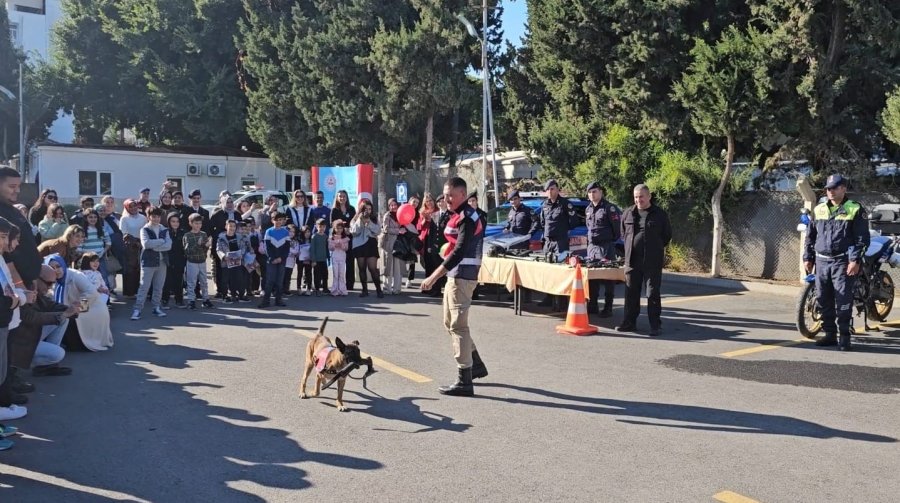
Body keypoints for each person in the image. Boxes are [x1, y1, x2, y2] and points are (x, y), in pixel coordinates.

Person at [420, 177, 487, 397]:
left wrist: (432, 277)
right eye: (445, 194)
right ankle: (475, 363)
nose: (446, 199)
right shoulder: (455, 214)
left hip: (463, 276)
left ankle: (464, 380)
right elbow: (445, 236)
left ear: (462, 195)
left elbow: (458, 252)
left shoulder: (468, 217)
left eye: (451, 195)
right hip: (454, 276)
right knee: (449, 322)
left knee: (458, 326)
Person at [803, 174, 869, 351]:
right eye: (828, 188)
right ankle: (830, 335)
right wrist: (807, 257)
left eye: (834, 188)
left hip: (843, 262)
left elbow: (862, 239)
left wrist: (854, 260)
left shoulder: (854, 209)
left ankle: (845, 337)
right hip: (822, 261)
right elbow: (811, 236)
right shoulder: (819, 209)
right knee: (823, 300)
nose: (830, 191)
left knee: (843, 301)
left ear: (843, 189)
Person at [616, 184, 672, 336]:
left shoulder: (659, 214)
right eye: (635, 197)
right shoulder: (628, 213)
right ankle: (629, 323)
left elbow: (666, 235)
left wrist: (655, 248)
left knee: (652, 294)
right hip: (632, 261)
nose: (638, 200)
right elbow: (623, 233)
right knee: (631, 293)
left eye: (641, 196)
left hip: (652, 261)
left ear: (649, 197)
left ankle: (655, 325)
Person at [15, 265, 76, 378]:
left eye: (53, 284)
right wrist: (63, 314)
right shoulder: (24, 289)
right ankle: (15, 368)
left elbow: (48, 304)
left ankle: (46, 367)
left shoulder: (34, 289)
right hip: (18, 341)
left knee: (63, 320)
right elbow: (31, 317)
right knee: (59, 354)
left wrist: (70, 310)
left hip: (29, 334)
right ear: (37, 278)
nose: (50, 287)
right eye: (48, 283)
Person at [46, 254, 114, 352]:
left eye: (58, 266)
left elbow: (92, 293)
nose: (56, 270)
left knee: (69, 317)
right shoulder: (51, 278)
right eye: (52, 268)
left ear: (63, 265)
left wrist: (79, 309)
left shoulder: (75, 276)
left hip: (92, 307)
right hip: (73, 306)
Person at [533, 179, 578, 306]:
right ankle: (549, 297)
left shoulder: (565, 204)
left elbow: (574, 222)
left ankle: (562, 299)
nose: (550, 191)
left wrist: (562, 230)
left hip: (560, 242)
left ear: (558, 189)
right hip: (548, 242)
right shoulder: (544, 205)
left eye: (552, 189)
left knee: (561, 270)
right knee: (548, 270)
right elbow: (542, 222)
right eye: (548, 189)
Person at [0, 167, 42, 288]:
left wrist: (39, 273)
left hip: (30, 281)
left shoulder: (13, 210)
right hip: (15, 285)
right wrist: (19, 285)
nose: (17, 190)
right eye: (12, 186)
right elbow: (4, 255)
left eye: (19, 186)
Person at [584, 182, 621, 317]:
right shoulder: (588, 209)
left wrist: (608, 240)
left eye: (594, 191)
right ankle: (593, 304)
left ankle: (608, 307)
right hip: (592, 248)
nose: (592, 194)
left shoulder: (609, 208)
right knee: (592, 277)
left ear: (600, 192)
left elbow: (617, 230)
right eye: (590, 192)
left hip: (606, 246)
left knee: (608, 278)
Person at [130, 207, 172, 321]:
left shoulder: (164, 229)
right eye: (153, 216)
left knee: (159, 287)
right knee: (144, 286)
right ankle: (137, 309)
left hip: (162, 262)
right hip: (148, 262)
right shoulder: (144, 229)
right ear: (149, 217)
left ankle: (156, 307)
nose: (156, 219)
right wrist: (161, 242)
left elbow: (169, 245)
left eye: (158, 216)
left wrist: (156, 246)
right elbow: (146, 244)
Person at [349, 199, 384, 298]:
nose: (368, 211)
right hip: (359, 246)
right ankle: (364, 290)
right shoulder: (355, 218)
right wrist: (360, 221)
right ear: (361, 209)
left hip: (371, 244)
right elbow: (354, 232)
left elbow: (378, 231)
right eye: (365, 209)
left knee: (373, 268)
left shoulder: (374, 218)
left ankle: (379, 290)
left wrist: (369, 223)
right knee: (362, 268)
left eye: (369, 209)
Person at [209, 195, 239, 298]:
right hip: (221, 244)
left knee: (233, 268)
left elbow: (240, 228)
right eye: (227, 202)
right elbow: (210, 228)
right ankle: (221, 290)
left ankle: (233, 290)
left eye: (231, 202)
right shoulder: (218, 214)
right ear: (223, 203)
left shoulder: (236, 214)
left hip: (234, 243)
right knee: (220, 269)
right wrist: (219, 235)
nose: (230, 204)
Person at [183, 213, 214, 310]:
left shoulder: (204, 234)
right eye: (196, 223)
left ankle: (205, 299)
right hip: (192, 262)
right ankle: (191, 300)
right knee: (191, 282)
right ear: (191, 223)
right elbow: (187, 251)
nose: (198, 225)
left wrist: (207, 245)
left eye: (200, 223)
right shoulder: (187, 235)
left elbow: (204, 249)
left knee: (204, 281)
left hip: (202, 261)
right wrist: (198, 244)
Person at [259, 212, 289, 308]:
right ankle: (266, 301)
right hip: (271, 261)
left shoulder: (286, 232)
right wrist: (272, 258)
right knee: (270, 281)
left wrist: (281, 258)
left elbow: (287, 248)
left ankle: (278, 300)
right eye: (277, 220)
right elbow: (267, 247)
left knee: (279, 281)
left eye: (281, 220)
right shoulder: (269, 232)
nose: (279, 222)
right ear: (272, 221)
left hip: (281, 261)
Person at [119, 199, 148, 298]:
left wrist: (141, 242)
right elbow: (124, 233)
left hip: (142, 244)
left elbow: (146, 230)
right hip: (130, 246)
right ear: (127, 208)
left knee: (141, 268)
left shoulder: (143, 217)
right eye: (130, 206)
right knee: (130, 269)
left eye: (135, 206)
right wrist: (134, 242)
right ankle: (130, 292)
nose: (133, 208)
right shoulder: (124, 219)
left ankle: (140, 291)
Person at [217, 220, 248, 304]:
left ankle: (239, 295)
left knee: (239, 278)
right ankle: (225, 296)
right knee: (225, 280)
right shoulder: (221, 238)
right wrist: (224, 256)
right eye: (230, 226)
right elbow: (218, 250)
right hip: (226, 262)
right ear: (226, 227)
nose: (232, 228)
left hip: (237, 262)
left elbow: (243, 247)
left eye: (234, 226)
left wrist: (241, 253)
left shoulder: (239, 237)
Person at [331, 190, 356, 291]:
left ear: (347, 197)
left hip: (349, 239)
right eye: (340, 196)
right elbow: (331, 224)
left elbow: (355, 223)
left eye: (344, 196)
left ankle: (349, 284)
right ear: (337, 198)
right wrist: (340, 230)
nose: (342, 198)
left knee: (350, 262)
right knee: (338, 263)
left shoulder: (351, 209)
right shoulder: (334, 210)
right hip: (337, 241)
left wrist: (350, 229)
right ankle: (337, 284)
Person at [418, 194, 442, 297]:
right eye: (427, 201)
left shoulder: (438, 211)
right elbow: (419, 227)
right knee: (427, 264)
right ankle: (427, 287)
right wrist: (424, 220)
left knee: (435, 264)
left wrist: (431, 219)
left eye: (431, 200)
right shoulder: (422, 212)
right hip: (425, 239)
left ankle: (435, 288)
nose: (429, 203)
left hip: (435, 240)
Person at [161, 212, 186, 308]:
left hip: (179, 260)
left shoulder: (183, 232)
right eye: (173, 221)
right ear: (169, 222)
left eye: (177, 221)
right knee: (167, 281)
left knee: (179, 281)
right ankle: (165, 300)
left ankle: (179, 300)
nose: (175, 223)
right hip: (168, 260)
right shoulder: (165, 232)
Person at [379, 199, 404, 294]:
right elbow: (386, 229)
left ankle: (397, 288)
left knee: (398, 267)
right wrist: (398, 231)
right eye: (391, 205)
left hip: (398, 244)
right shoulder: (387, 216)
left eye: (395, 205)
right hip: (388, 243)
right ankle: (387, 288)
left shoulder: (400, 215)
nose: (393, 207)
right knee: (387, 266)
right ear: (389, 206)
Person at [328, 220, 350, 296]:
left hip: (342, 257)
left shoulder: (345, 238)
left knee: (341, 273)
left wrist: (341, 245)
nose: (339, 230)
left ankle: (342, 290)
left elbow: (346, 248)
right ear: (334, 229)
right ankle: (334, 290)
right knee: (335, 274)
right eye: (337, 228)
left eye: (341, 228)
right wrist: (334, 245)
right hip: (334, 257)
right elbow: (330, 248)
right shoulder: (331, 238)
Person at [310, 218, 330, 295]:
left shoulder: (325, 236)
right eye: (320, 226)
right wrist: (313, 260)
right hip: (316, 260)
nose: (322, 228)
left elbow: (326, 248)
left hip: (323, 259)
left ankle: (325, 288)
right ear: (316, 227)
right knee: (317, 275)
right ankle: (317, 289)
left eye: (323, 227)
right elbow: (312, 249)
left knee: (325, 274)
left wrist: (328, 257)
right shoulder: (314, 236)